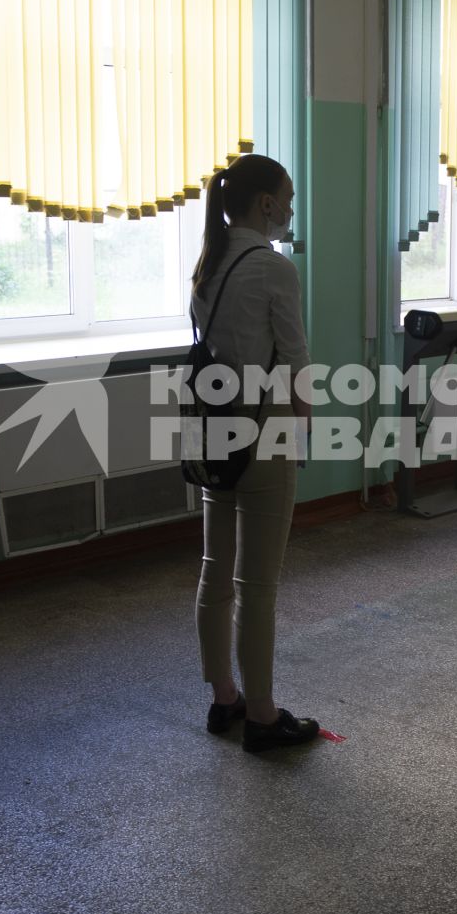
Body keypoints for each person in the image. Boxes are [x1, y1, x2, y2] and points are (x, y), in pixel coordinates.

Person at [189, 153, 319, 752]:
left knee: (216, 569)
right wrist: (305, 432)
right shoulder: (274, 268)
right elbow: (294, 362)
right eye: (286, 197)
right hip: (264, 432)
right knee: (257, 583)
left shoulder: (207, 265)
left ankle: (225, 698)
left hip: (213, 428)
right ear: (266, 204)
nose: (291, 209)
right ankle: (263, 716)